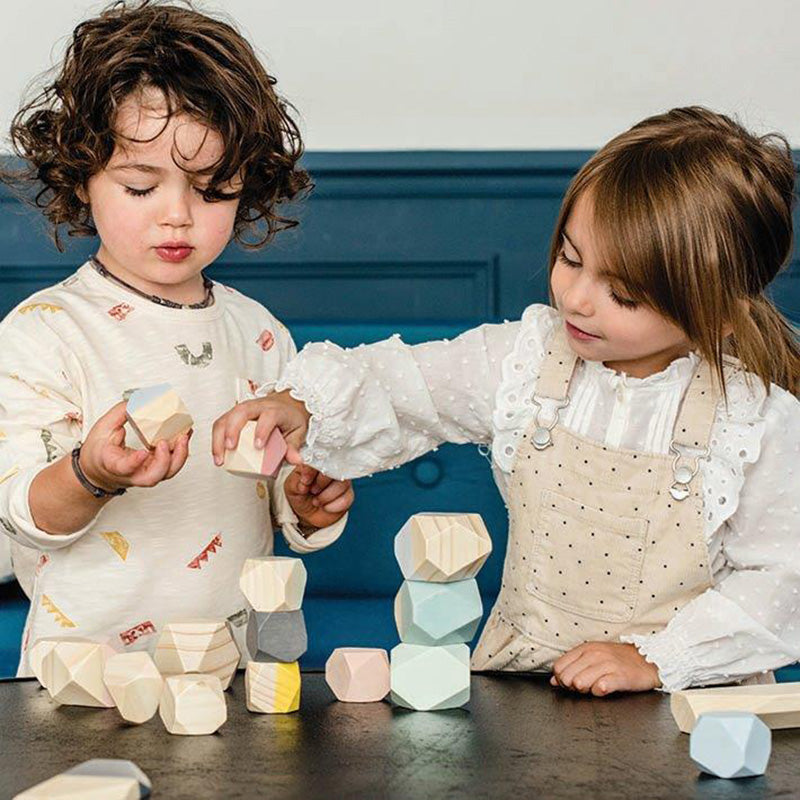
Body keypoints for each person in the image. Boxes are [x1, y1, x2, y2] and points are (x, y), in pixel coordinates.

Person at [213, 107, 800, 695]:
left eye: (621, 292)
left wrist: (654, 658)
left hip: (688, 704)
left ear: (717, 314)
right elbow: (405, 383)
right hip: (529, 688)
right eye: (571, 259)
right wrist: (302, 404)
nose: (577, 299)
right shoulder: (525, 361)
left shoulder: (756, 425)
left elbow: (780, 581)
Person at [0, 0, 353, 675]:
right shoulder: (42, 335)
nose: (178, 217)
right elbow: (23, 516)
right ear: (83, 178)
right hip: (84, 678)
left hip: (238, 673)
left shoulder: (259, 333)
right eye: (140, 186)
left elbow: (281, 498)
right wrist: (91, 474)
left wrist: (308, 504)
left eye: (213, 191)